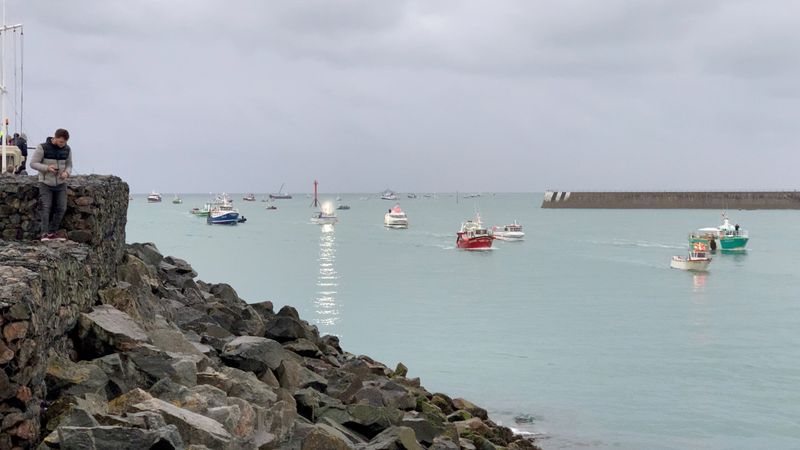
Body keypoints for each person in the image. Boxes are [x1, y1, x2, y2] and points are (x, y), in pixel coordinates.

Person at [29, 129, 72, 241]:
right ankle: (44, 234)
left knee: (62, 208)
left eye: (65, 142)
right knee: (46, 207)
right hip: (45, 183)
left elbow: (69, 165)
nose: (63, 144)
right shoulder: (42, 147)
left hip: (61, 183)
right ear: (55, 138)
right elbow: (33, 163)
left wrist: (66, 173)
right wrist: (47, 168)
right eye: (61, 142)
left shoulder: (67, 149)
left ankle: (52, 233)